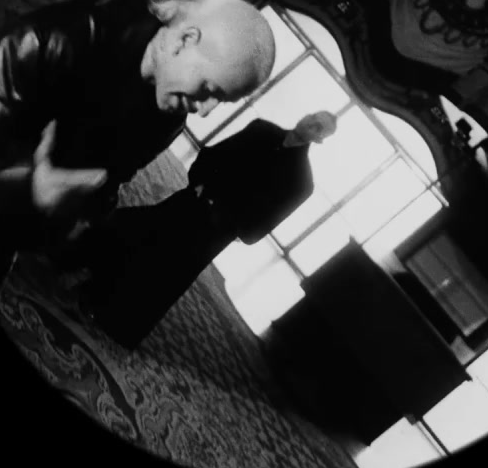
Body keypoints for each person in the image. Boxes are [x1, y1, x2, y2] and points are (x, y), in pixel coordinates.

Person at [0, 0, 277, 296]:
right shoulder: (52, 38)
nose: (205, 110)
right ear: (184, 40)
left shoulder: (169, 118)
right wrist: (29, 186)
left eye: (221, 101)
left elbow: (111, 179)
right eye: (209, 89)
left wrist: (85, 217)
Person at [77, 111, 339, 348]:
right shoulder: (262, 129)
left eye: (319, 128)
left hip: (216, 231)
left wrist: (223, 217)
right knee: (145, 235)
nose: (311, 125)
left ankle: (114, 320)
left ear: (320, 140)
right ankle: (91, 284)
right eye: (312, 118)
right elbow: (217, 153)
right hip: (194, 199)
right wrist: (199, 182)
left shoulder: (302, 182)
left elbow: (265, 220)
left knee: (166, 273)